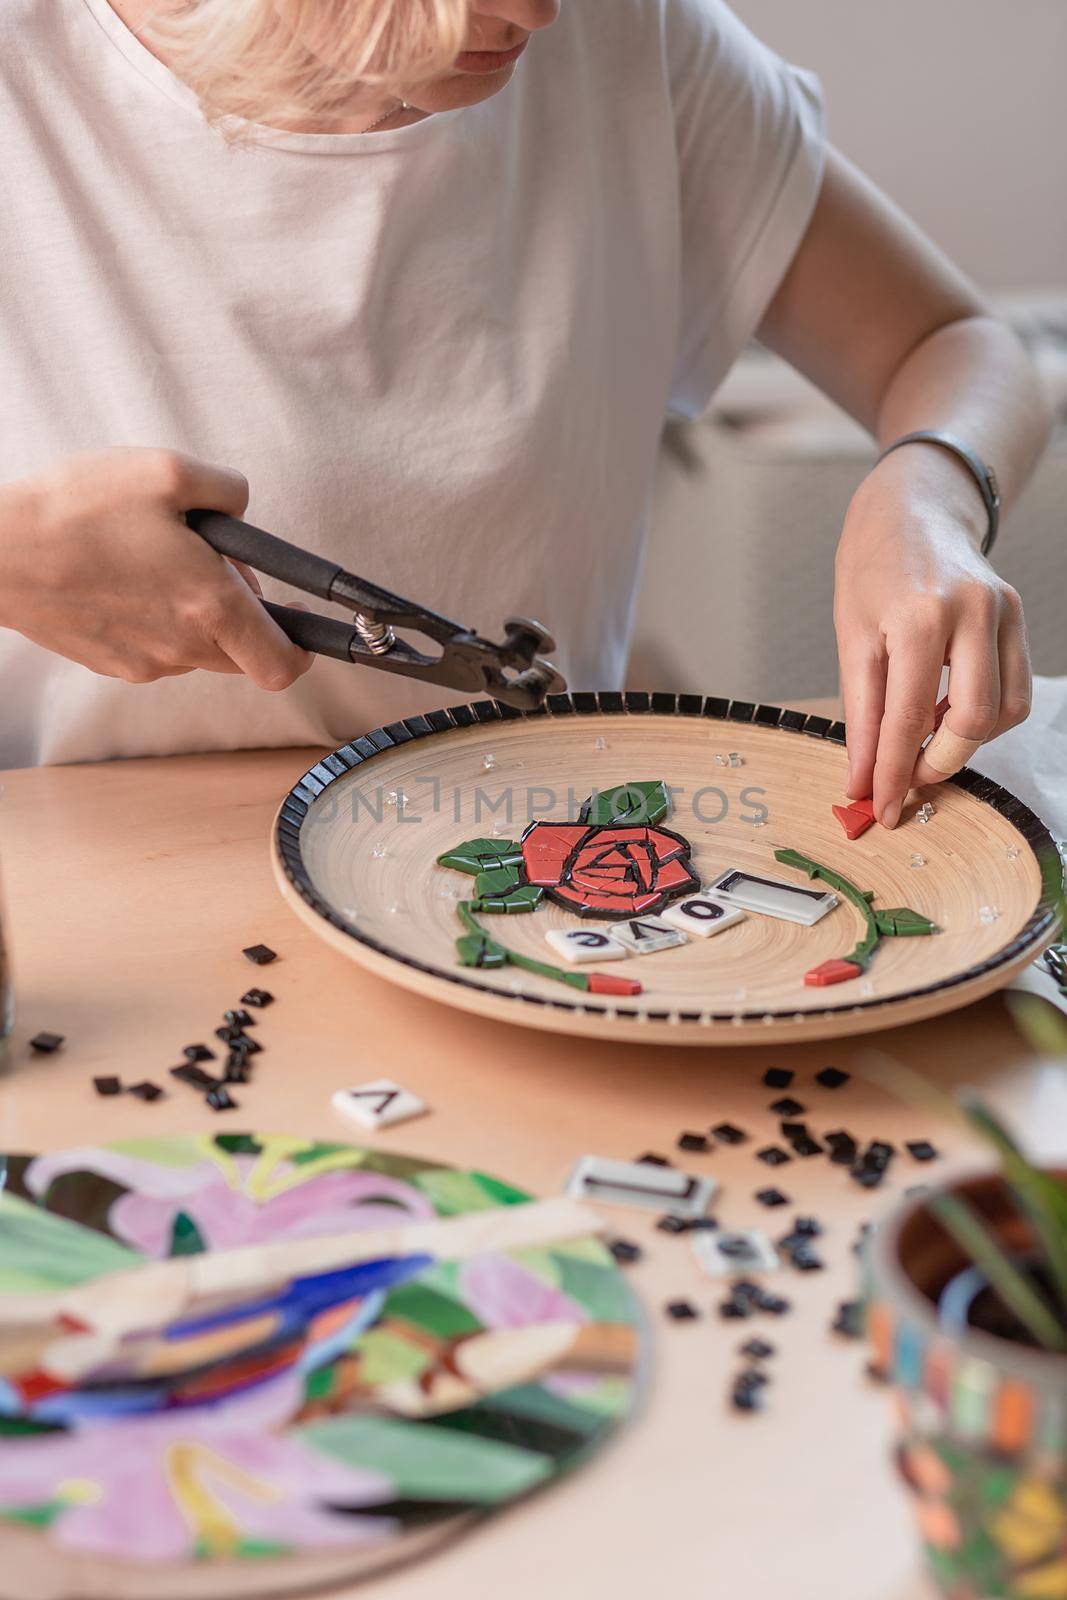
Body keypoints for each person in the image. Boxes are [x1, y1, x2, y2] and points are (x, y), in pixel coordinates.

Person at [0, 0, 1050, 828]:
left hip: (526, 861)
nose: (537, 13)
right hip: (84, 886)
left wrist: (926, 494)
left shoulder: (633, 36)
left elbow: (952, 343)